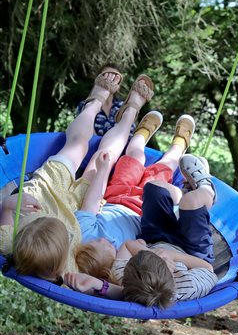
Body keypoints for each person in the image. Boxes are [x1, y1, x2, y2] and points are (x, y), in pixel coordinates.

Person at [0, 68, 154, 282]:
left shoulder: (10, 244)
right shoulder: (68, 270)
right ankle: (130, 113)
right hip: (80, 206)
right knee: (105, 158)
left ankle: (94, 102)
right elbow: (107, 285)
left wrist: (10, 204)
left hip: (47, 188)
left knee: (78, 144)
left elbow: (6, 219)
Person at [65, 154, 218, 308]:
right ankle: (207, 189)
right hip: (192, 251)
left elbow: (128, 246)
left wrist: (147, 251)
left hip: (155, 240)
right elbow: (208, 268)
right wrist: (171, 256)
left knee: (153, 188)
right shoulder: (187, 287)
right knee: (191, 202)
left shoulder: (123, 276)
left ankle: (186, 192)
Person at [74, 112, 197, 281]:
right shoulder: (125, 257)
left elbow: (91, 203)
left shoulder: (84, 234)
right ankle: (180, 144)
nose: (104, 239)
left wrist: (103, 170)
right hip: (143, 208)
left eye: (97, 242)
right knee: (164, 167)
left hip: (116, 196)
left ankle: (142, 132)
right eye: (109, 245)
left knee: (135, 156)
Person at [75, 63, 135, 136]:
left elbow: (129, 134)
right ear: (97, 81)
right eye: (105, 77)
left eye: (114, 78)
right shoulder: (83, 105)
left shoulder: (124, 108)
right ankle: (95, 103)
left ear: (118, 86)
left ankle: (95, 103)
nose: (109, 81)